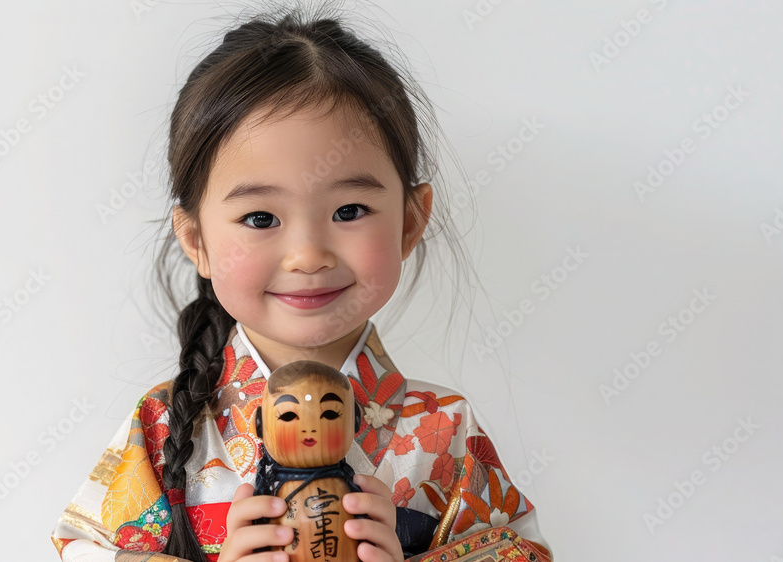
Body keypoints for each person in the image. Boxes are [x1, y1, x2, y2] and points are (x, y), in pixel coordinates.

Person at [50, 4, 553, 561]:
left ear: (410, 221)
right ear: (196, 240)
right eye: (261, 218)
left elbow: (521, 552)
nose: (308, 255)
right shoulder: (166, 425)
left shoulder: (443, 429)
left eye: (350, 209)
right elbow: (82, 550)